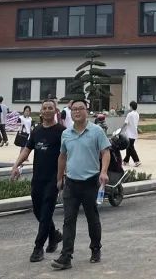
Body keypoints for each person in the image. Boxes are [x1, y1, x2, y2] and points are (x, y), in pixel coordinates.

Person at [52, 98, 110, 269]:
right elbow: (62, 156)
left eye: (80, 108)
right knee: (69, 220)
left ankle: (95, 249)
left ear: (87, 111)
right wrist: (59, 178)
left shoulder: (97, 131)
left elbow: (105, 152)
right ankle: (66, 256)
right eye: (74, 109)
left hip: (90, 182)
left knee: (92, 218)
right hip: (71, 183)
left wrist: (104, 171)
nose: (77, 111)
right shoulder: (66, 134)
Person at [12, 100, 64, 262]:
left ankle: (38, 247)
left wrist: (62, 176)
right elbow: (27, 150)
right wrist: (16, 165)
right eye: (44, 108)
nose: (47, 110)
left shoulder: (62, 131)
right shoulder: (37, 131)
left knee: (47, 211)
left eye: (50, 108)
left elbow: (66, 155)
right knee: (37, 210)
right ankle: (53, 234)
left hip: (53, 178)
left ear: (55, 111)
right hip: (38, 178)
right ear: (41, 111)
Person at [122, 101, 141, 166]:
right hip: (134, 133)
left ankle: (137, 161)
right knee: (129, 147)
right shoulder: (137, 114)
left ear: (131, 107)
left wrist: (121, 129)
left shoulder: (129, 114)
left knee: (130, 147)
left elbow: (126, 123)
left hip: (129, 133)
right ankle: (126, 161)